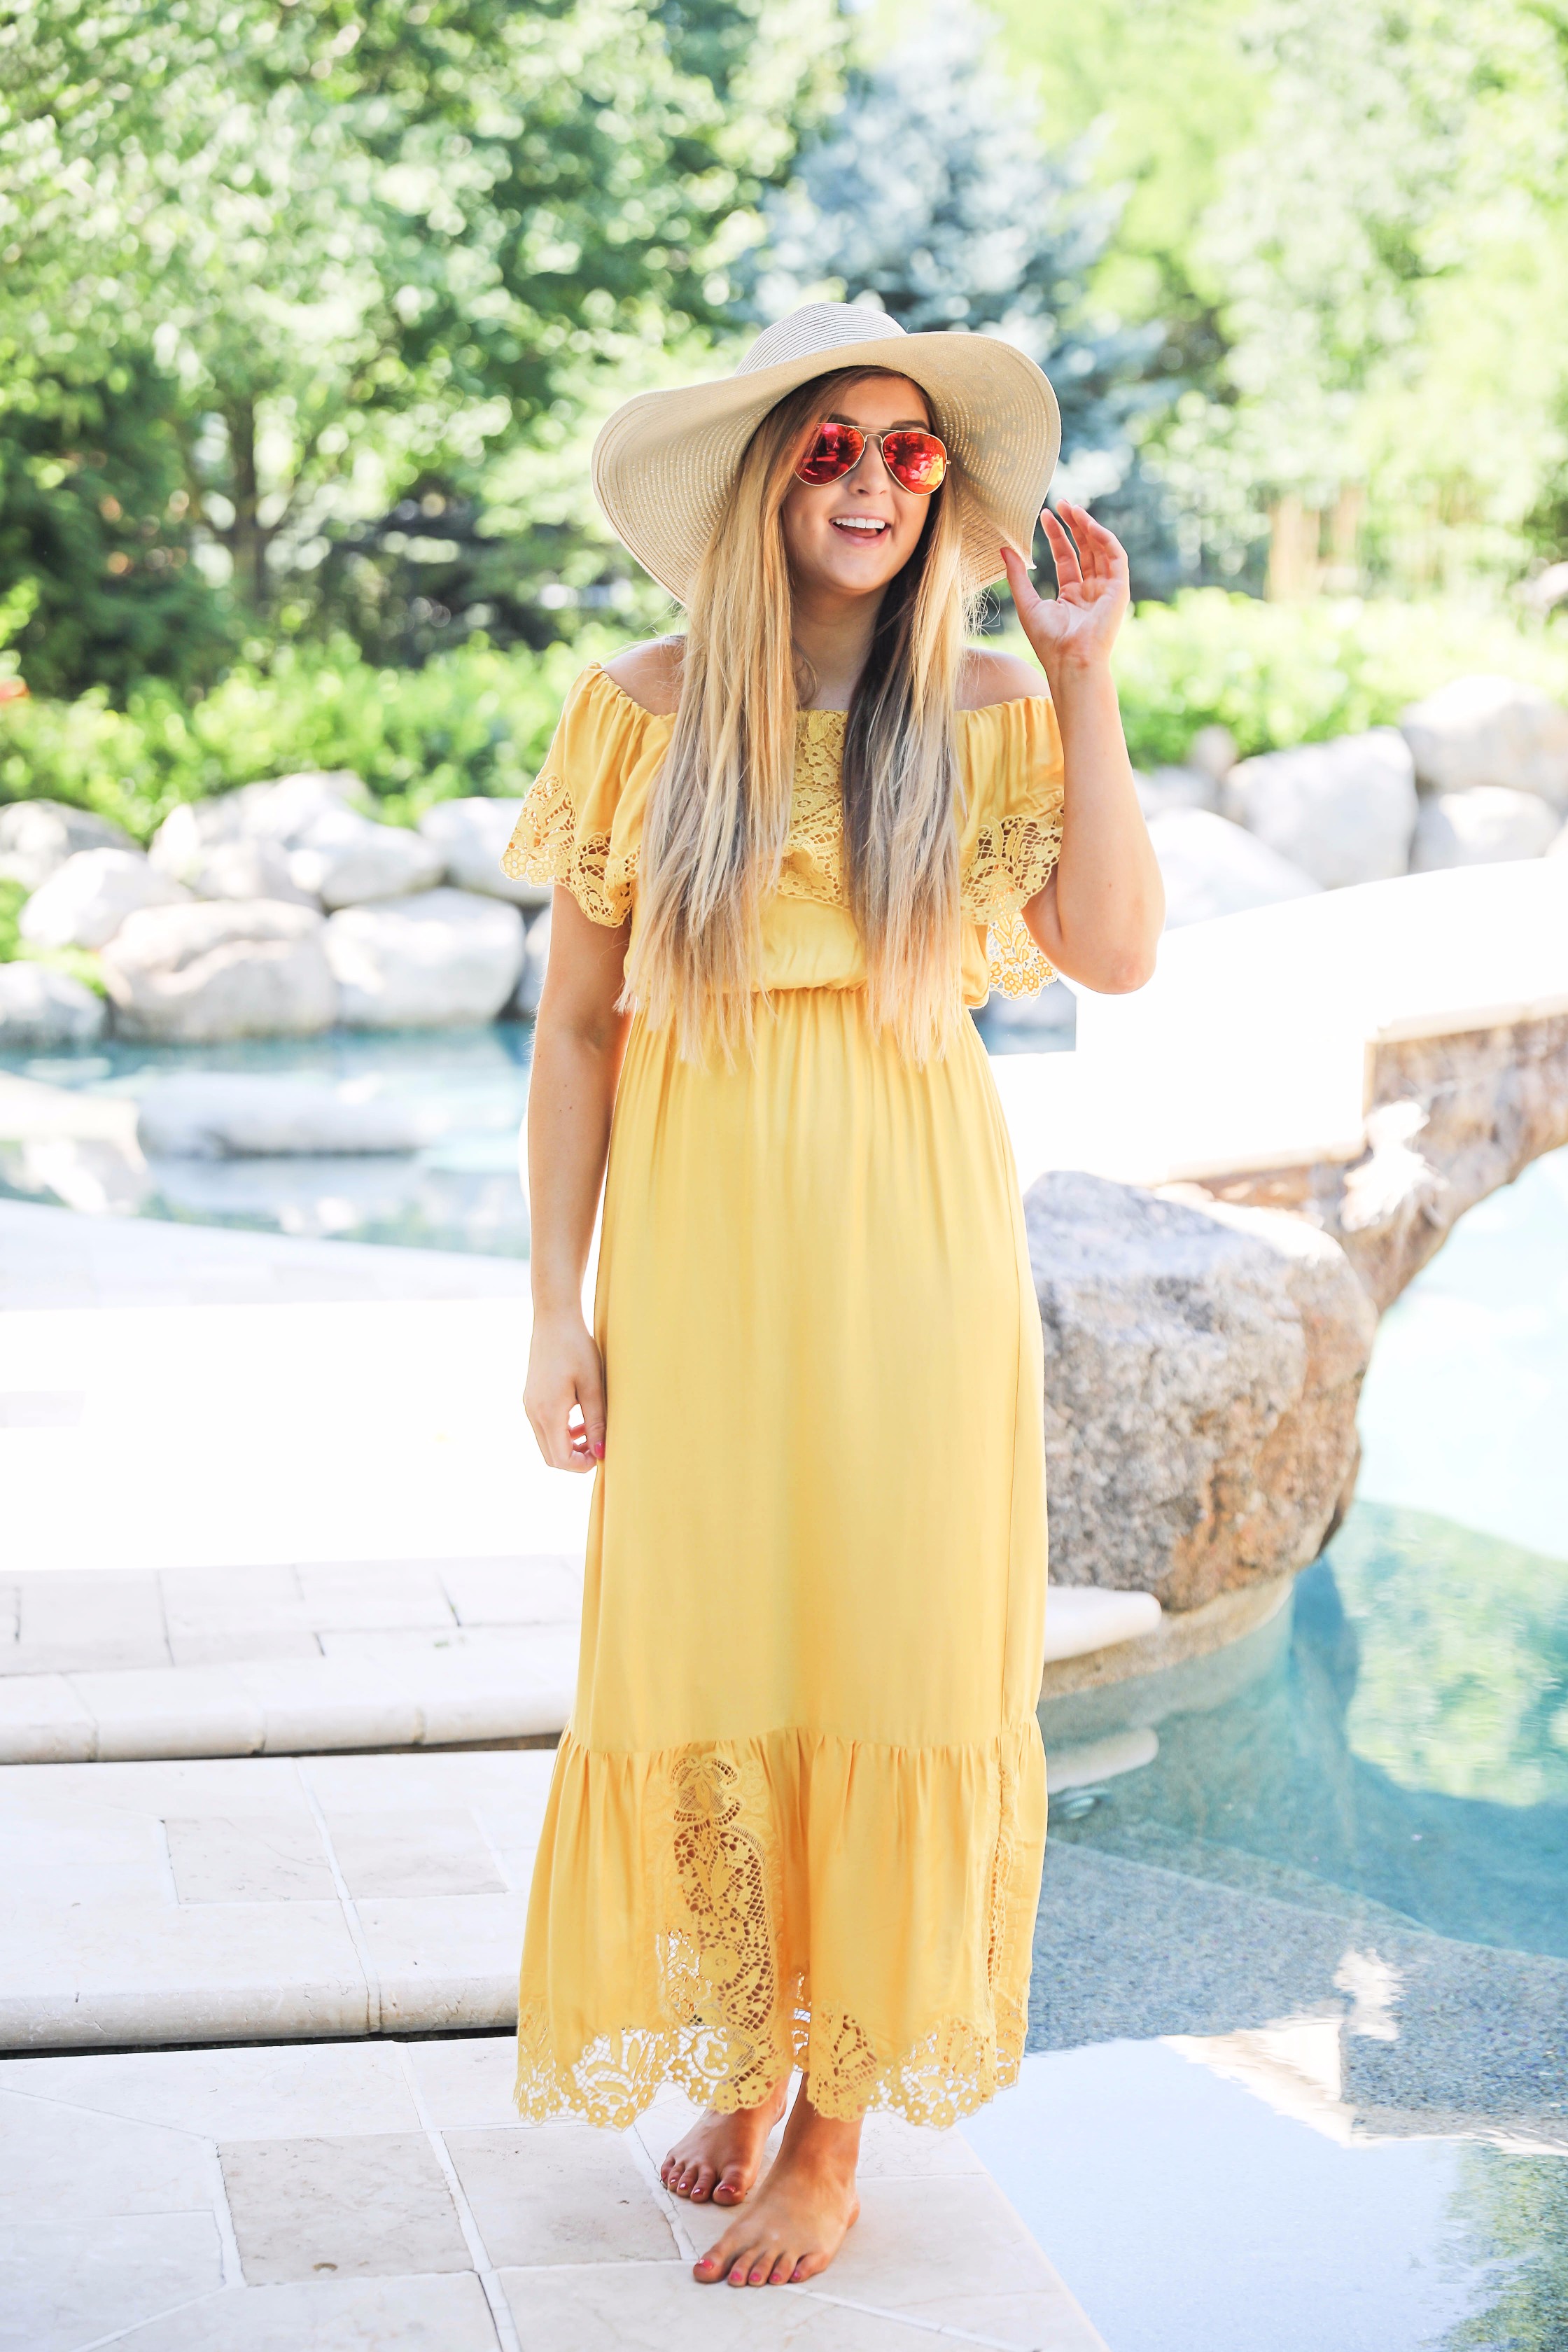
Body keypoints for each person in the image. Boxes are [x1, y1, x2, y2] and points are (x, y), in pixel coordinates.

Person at [507, 302, 1162, 2291]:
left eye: (907, 453)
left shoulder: (981, 711)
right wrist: (555, 1306)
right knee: (712, 1641)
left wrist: (1088, 681)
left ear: (944, 488)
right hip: (701, 1253)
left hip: (911, 1248)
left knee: (885, 1644)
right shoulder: (640, 704)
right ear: (764, 477)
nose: (875, 482)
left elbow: (1115, 953)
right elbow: (578, 1033)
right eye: (830, 449)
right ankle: (736, 2047)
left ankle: (832, 2127)